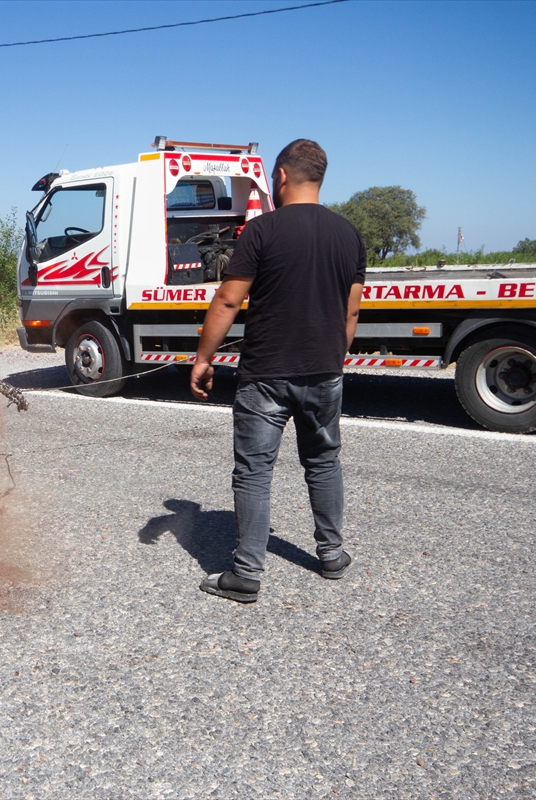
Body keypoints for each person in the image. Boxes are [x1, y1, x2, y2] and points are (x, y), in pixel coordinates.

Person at [190, 139, 365, 603]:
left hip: (266, 374)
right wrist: (332, 357)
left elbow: (228, 299)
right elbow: (351, 314)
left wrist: (204, 358)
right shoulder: (349, 234)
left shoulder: (262, 231)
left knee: (254, 472)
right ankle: (331, 555)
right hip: (324, 371)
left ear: (282, 176)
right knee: (324, 462)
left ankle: (246, 575)